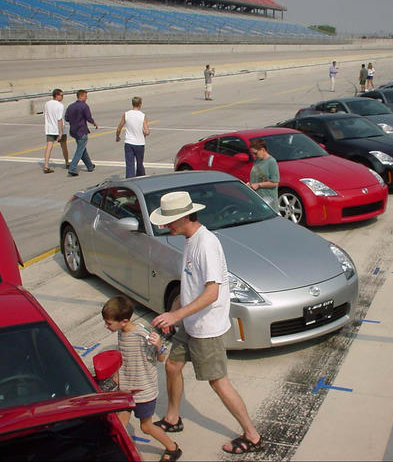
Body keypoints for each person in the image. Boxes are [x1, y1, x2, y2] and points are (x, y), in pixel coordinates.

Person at [149, 192, 263, 455]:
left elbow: (212, 293)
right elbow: (190, 284)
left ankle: (253, 435)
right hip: (190, 322)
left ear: (186, 216)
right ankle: (173, 418)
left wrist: (175, 316)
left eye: (170, 221)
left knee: (218, 382)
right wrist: (174, 311)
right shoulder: (189, 239)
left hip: (206, 328)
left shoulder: (206, 244)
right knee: (173, 365)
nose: (167, 226)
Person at [102, 295, 183, 462]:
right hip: (126, 389)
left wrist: (159, 345)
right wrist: (117, 373)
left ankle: (172, 448)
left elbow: (160, 359)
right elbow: (123, 355)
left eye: (109, 323)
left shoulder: (142, 336)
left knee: (146, 427)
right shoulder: (121, 332)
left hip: (143, 392)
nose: (106, 326)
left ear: (124, 321)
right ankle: (129, 453)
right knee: (119, 425)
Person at [65, 89, 98, 176]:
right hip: (81, 130)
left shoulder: (70, 106)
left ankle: (90, 166)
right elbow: (89, 118)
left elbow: (66, 118)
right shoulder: (84, 106)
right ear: (81, 96)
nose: (86, 98)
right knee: (80, 150)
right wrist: (94, 123)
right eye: (85, 96)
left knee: (82, 148)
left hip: (73, 131)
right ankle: (72, 168)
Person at [116, 96, 150, 178]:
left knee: (130, 164)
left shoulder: (126, 114)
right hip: (140, 143)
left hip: (129, 143)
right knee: (139, 163)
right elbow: (147, 131)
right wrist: (145, 133)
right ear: (140, 104)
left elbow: (119, 127)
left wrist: (117, 136)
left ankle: (130, 179)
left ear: (132, 104)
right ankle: (141, 177)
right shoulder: (142, 116)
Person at [248, 139, 280, 211]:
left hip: (268, 201)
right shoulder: (256, 160)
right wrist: (250, 184)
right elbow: (255, 177)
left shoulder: (271, 162)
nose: (254, 156)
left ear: (263, 150)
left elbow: (275, 182)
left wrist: (258, 185)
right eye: (252, 153)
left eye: (255, 153)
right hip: (256, 199)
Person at [43, 88, 69, 174]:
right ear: (57, 95)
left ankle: (46, 165)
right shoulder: (60, 105)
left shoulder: (47, 104)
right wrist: (60, 132)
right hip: (58, 129)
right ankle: (67, 162)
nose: (62, 97)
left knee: (49, 147)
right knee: (64, 146)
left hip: (50, 129)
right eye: (61, 95)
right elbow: (59, 119)